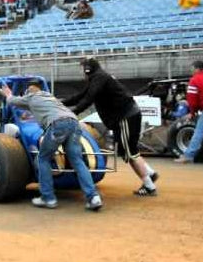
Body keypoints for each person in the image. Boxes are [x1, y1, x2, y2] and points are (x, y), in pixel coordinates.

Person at [63, 57, 159, 196]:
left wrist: (73, 112)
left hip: (125, 117)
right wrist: (61, 104)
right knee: (127, 150)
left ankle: (149, 186)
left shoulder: (99, 78)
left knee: (129, 153)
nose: (82, 72)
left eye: (83, 68)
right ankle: (150, 173)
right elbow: (81, 96)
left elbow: (88, 99)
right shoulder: (98, 78)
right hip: (126, 116)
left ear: (88, 69)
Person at [1, 80, 103, 210]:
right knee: (77, 161)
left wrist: (8, 94)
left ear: (29, 91)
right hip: (74, 123)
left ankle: (48, 198)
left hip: (57, 125)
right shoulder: (51, 97)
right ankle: (93, 197)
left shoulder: (31, 97)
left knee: (43, 158)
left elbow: (11, 101)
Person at [175, 61, 203, 163]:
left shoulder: (195, 80)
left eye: (192, 69)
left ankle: (187, 156)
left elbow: (192, 99)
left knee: (199, 132)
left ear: (197, 69)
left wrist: (192, 112)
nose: (192, 71)